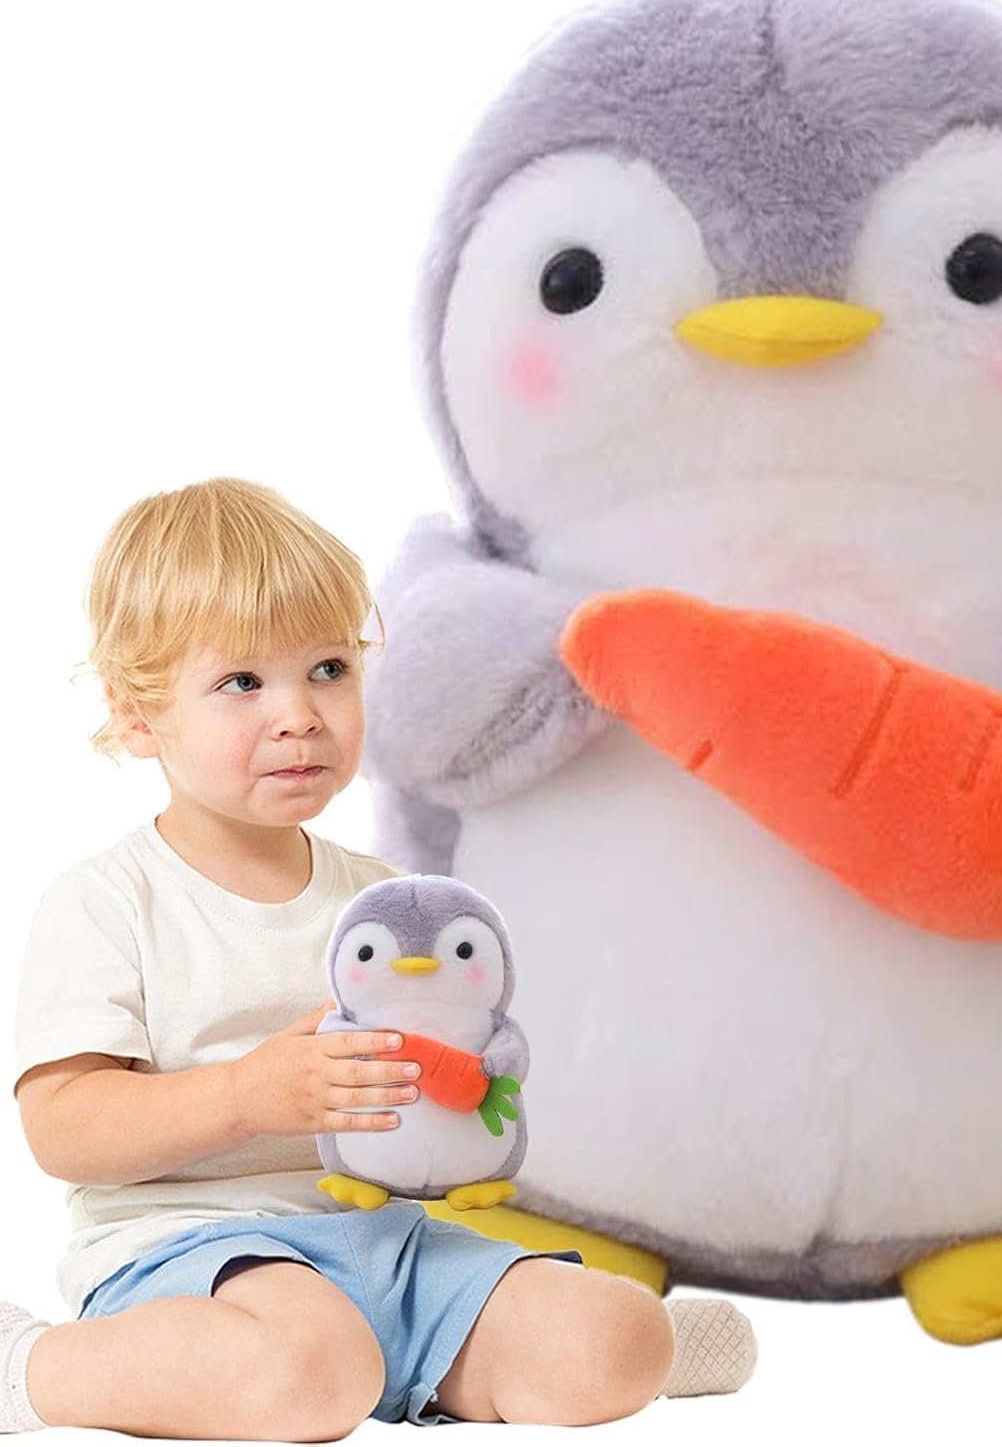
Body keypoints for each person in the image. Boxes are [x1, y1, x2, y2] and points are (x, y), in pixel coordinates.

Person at [1, 478, 755, 1437]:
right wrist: (242, 1097)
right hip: (190, 1251)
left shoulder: (388, 908)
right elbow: (63, 1130)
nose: (299, 715)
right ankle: (37, 1366)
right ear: (137, 714)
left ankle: (582, 1353)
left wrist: (468, 1094)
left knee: (610, 1339)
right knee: (303, 1368)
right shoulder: (109, 899)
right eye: (242, 683)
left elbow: (443, 1086)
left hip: (383, 1241)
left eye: (327, 668)